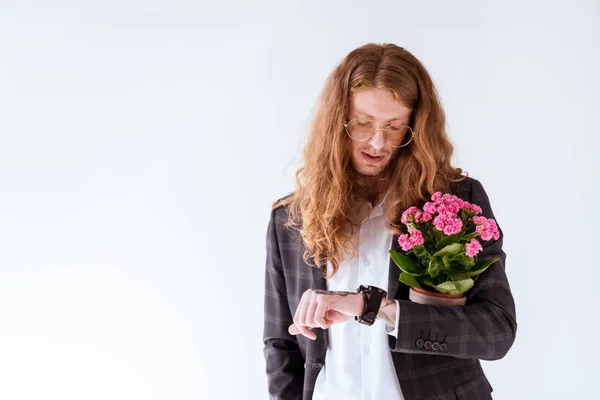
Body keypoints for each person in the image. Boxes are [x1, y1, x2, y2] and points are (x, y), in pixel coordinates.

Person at [263, 43, 517, 400]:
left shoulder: (456, 203)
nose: (377, 143)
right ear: (337, 121)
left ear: (416, 127)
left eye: (395, 128)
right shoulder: (290, 218)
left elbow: (496, 332)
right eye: (363, 123)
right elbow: (280, 344)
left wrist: (377, 308)